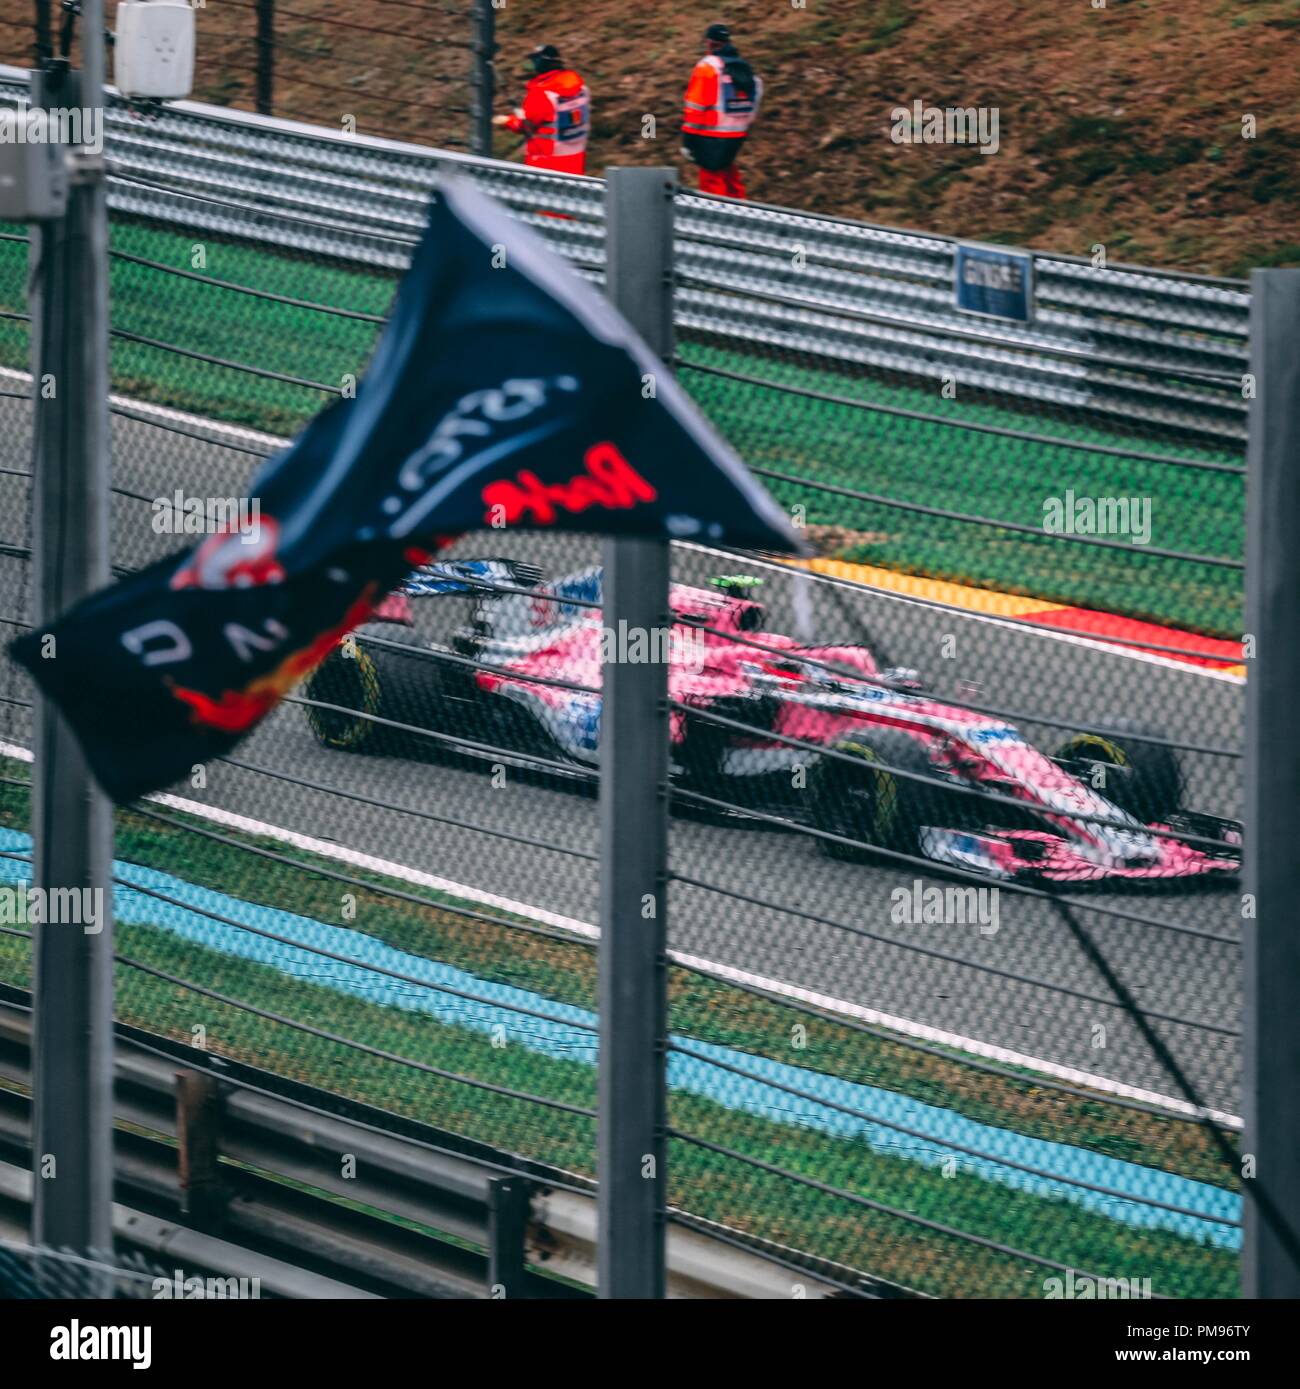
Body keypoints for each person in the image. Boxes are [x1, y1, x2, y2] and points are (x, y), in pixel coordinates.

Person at [681, 22, 763, 199]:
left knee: (712, 181)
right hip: (737, 135)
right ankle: (744, 215)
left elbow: (695, 106)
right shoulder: (742, 66)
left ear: (709, 43)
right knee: (729, 176)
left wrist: (688, 140)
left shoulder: (708, 66)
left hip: (711, 135)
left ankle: (718, 220)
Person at [493, 44, 591, 176]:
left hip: (545, 163)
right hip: (575, 161)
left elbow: (525, 125)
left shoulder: (542, 93)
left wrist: (507, 121)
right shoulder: (581, 88)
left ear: (544, 62)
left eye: (536, 60)